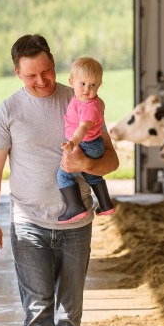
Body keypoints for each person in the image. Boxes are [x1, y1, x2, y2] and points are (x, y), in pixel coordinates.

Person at [0, 34, 119, 326]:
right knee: (38, 308)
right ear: (16, 72)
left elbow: (110, 159)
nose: (41, 81)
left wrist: (83, 167)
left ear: (56, 63)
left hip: (76, 225)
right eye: (31, 75)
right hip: (29, 223)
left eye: (47, 71)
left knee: (68, 313)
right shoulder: (9, 110)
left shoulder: (80, 100)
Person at [57, 56, 115, 223]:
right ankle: (105, 204)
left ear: (99, 85)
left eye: (93, 85)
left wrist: (72, 143)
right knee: (92, 175)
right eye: (82, 84)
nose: (87, 89)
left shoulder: (89, 106)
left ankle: (75, 207)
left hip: (85, 144)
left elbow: (82, 128)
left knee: (64, 175)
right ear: (71, 81)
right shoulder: (85, 100)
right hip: (92, 144)